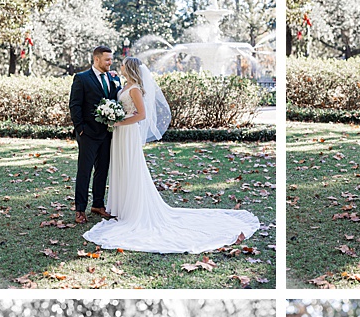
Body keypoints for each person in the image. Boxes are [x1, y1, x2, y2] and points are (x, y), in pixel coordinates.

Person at [83, 56, 260, 253]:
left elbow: (141, 115)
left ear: (130, 68)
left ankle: (134, 210)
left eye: (123, 64)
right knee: (121, 168)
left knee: (131, 168)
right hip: (118, 134)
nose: (119, 66)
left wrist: (118, 122)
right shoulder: (124, 85)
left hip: (127, 132)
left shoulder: (134, 89)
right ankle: (121, 209)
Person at [69, 46, 119, 225]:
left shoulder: (113, 78)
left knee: (102, 170)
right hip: (88, 134)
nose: (110, 62)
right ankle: (80, 209)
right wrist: (80, 128)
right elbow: (75, 105)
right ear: (96, 59)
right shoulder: (82, 78)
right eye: (107, 60)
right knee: (84, 172)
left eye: (111, 59)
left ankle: (98, 204)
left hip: (107, 134)